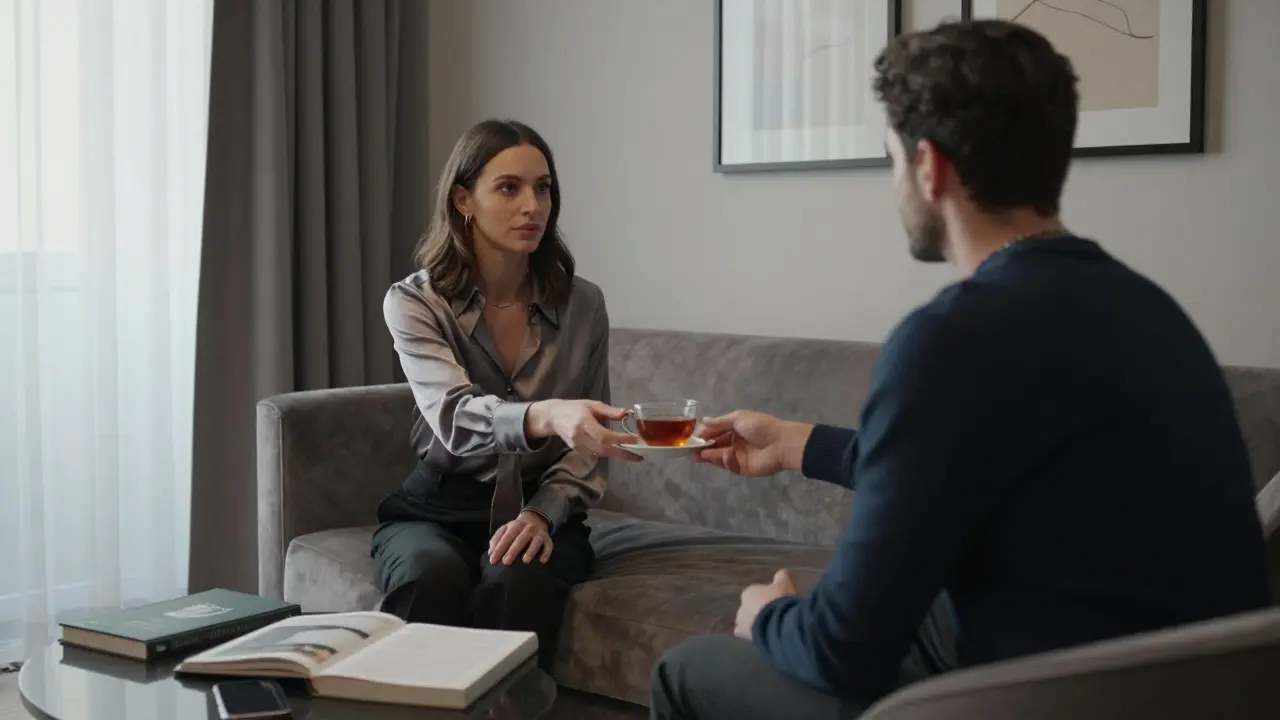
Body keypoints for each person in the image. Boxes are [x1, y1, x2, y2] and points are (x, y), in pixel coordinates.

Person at [649, 19, 1271, 720]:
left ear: (929, 166)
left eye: (890, 159)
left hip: (1039, 697)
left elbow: (841, 651)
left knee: (689, 670)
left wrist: (769, 615)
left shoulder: (951, 338)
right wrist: (797, 443)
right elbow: (967, 466)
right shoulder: (1152, 312)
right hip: (1162, 685)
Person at [371, 119, 639, 672]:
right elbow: (452, 417)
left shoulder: (584, 306)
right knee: (428, 577)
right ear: (464, 199)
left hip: (544, 508)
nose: (533, 206)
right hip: (437, 506)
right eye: (509, 188)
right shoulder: (415, 303)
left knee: (518, 581)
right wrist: (546, 415)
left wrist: (542, 515)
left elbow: (586, 448)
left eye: (543, 188)